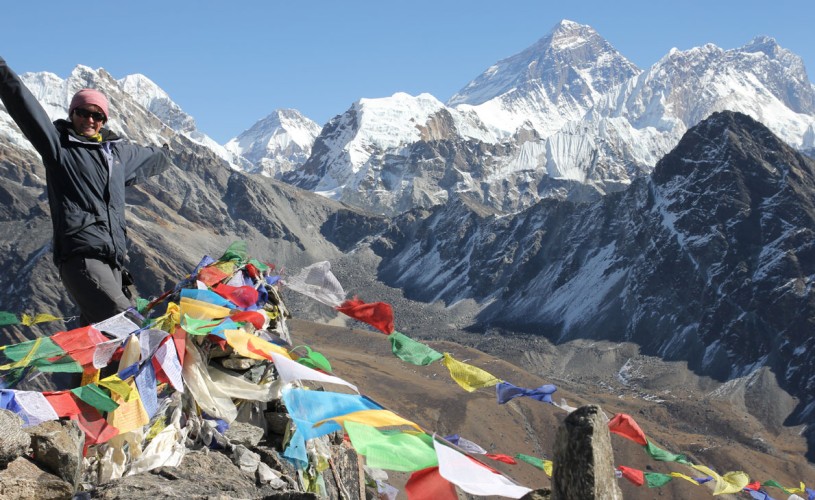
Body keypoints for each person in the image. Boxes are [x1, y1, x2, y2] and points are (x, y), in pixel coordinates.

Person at [0, 56, 175, 325]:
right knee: (131, 327)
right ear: (72, 114)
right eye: (83, 112)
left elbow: (150, 158)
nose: (89, 119)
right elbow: (23, 104)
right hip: (82, 259)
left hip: (114, 263)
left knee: (105, 346)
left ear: (104, 120)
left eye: (97, 115)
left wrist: (167, 153)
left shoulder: (117, 155)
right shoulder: (59, 147)